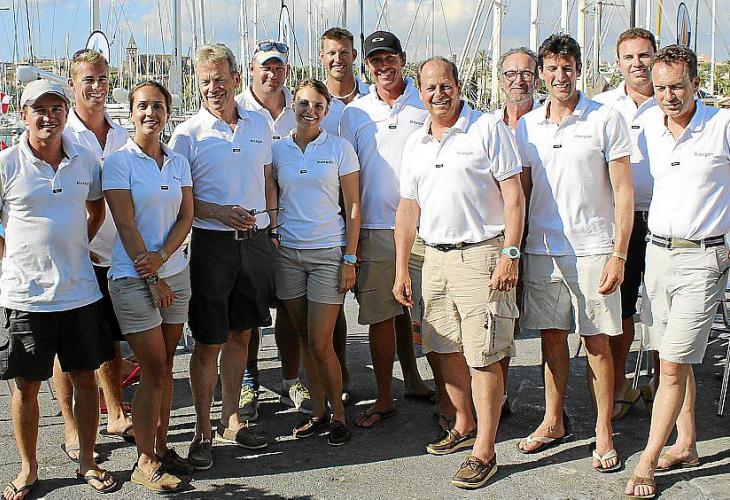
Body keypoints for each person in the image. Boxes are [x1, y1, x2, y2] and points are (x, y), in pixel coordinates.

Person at [394, 57, 524, 489]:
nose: (439, 94)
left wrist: (510, 254)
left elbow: (514, 197)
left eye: (445, 85)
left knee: (484, 354)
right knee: (444, 346)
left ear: (458, 85)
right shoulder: (416, 143)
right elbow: (408, 208)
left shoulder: (487, 128)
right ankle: (463, 422)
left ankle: (485, 450)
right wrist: (401, 268)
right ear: (420, 92)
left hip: (482, 256)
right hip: (434, 258)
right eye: (430, 87)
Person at [514, 35, 634, 473]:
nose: (560, 76)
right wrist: (514, 249)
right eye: (552, 68)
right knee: (551, 339)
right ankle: (553, 420)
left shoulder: (606, 118)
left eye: (567, 67)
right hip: (542, 248)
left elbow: (623, 191)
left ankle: (603, 431)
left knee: (598, 343)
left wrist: (619, 254)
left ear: (579, 69)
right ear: (541, 73)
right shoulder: (527, 125)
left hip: (594, 249)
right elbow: (521, 192)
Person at [0, 79, 117, 498]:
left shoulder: (85, 160)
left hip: (79, 292)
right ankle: (28, 468)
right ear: (24, 115)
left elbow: (96, 207)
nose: (48, 117)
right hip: (25, 298)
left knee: (85, 380)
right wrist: (10, 262)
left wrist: (79, 244)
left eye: (56, 108)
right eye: (39, 109)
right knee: (26, 387)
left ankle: (87, 459)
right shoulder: (6, 163)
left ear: (66, 113)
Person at [625, 45, 730, 499]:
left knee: (669, 367)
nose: (669, 96)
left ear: (696, 85)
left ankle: (647, 461)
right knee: (671, 357)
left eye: (678, 87)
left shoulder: (721, 126)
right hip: (658, 254)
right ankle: (686, 444)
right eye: (661, 87)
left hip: (703, 260)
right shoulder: (648, 125)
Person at [169, 43, 270, 471]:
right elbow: (180, 199)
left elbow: (266, 177)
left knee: (241, 335)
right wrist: (219, 213)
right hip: (211, 245)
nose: (213, 87)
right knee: (209, 340)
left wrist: (271, 226)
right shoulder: (187, 134)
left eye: (220, 79)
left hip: (255, 242)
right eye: (206, 81)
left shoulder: (259, 124)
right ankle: (202, 429)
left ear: (235, 79)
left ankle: (231, 419)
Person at [340, 30, 434, 429]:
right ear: (367, 66)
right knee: (381, 315)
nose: (383, 66)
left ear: (402, 59)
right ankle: (384, 395)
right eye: (376, 60)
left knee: (433, 315)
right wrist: (352, 238)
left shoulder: (425, 102)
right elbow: (347, 176)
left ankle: (446, 396)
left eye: (389, 58)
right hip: (375, 228)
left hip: (426, 228)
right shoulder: (355, 113)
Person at [104, 80, 194, 492]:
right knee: (154, 370)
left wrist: (164, 258)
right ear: (131, 112)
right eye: (142, 106)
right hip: (133, 278)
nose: (150, 113)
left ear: (167, 112)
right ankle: (144, 461)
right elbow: (125, 224)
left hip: (175, 272)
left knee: (166, 367)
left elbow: (186, 216)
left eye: (158, 106)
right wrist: (152, 274)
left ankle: (160, 446)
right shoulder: (118, 162)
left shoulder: (177, 161)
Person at [272, 79, 361, 445]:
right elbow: (272, 196)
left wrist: (349, 258)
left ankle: (338, 415)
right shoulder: (278, 150)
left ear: (327, 110)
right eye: (304, 103)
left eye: (318, 106)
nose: (310, 111)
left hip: (328, 255)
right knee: (305, 340)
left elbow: (353, 206)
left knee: (321, 342)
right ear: (293, 105)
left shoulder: (340, 148)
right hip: (288, 255)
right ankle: (319, 411)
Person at [58, 49, 134, 459]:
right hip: (75, 257)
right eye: (88, 79)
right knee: (67, 347)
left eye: (102, 78)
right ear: (73, 83)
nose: (97, 86)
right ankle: (71, 426)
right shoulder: (62, 134)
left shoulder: (122, 134)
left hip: (117, 254)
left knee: (111, 339)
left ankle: (116, 413)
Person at [236, 40, 311, 417]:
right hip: (250, 228)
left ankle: (290, 380)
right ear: (251, 69)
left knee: (289, 308)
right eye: (265, 66)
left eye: (278, 67)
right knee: (248, 313)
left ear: (287, 70)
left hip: (292, 226)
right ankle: (248, 381)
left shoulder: (301, 109)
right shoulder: (237, 110)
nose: (272, 73)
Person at [592, 28, 658, 420]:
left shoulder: (676, 100)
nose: (637, 63)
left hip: (668, 220)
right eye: (629, 57)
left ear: (655, 57)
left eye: (644, 55)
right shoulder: (603, 106)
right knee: (623, 308)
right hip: (622, 219)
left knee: (664, 310)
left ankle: (662, 385)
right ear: (618, 63)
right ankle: (618, 389)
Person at [490, 46, 541, 418]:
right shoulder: (487, 124)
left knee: (549, 329)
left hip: (540, 234)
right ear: (500, 80)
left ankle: (553, 409)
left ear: (537, 78)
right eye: (511, 74)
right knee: (499, 317)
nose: (518, 81)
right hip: (498, 237)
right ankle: (499, 394)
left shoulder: (546, 123)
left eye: (526, 73)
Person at [319, 27, 369, 403]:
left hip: (372, 210)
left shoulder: (372, 99)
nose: (338, 59)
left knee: (386, 300)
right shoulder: (314, 101)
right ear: (322, 57)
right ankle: (340, 377)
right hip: (329, 214)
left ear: (354, 55)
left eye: (344, 52)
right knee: (332, 303)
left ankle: (409, 376)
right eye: (331, 53)